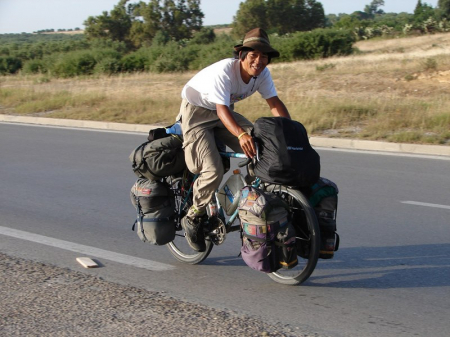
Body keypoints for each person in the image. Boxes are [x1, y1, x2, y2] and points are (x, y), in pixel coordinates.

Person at [177, 27, 291, 251]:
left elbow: (275, 104)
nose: (258, 61)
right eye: (253, 55)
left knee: (264, 145)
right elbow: (221, 111)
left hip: (224, 113)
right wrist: (240, 133)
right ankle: (193, 215)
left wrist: (291, 131)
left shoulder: (262, 74)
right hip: (197, 112)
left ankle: (249, 195)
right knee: (213, 170)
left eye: (263, 56)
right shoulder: (225, 72)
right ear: (242, 56)